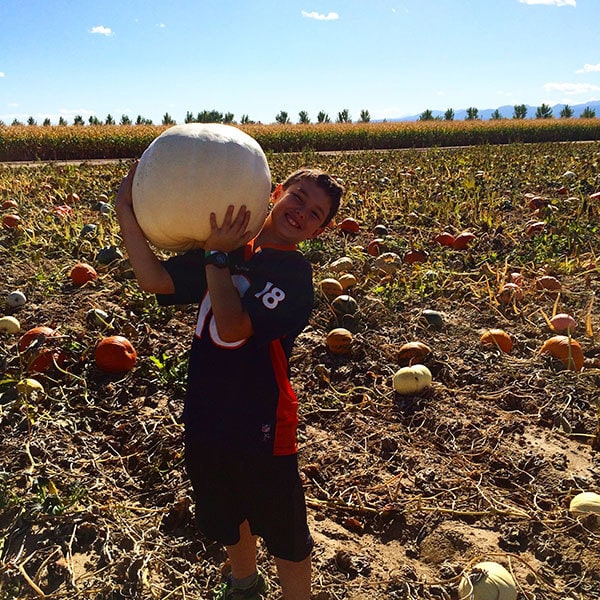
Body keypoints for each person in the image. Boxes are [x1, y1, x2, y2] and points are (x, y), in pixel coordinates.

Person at [115, 162, 343, 600]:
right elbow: (155, 279)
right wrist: (127, 209)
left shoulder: (293, 275)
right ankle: (244, 585)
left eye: (315, 214)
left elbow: (235, 326)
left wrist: (216, 258)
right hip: (205, 410)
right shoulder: (230, 247)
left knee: (284, 528)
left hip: (261, 421)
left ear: (317, 232)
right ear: (276, 192)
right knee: (226, 511)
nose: (301, 212)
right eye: (298, 198)